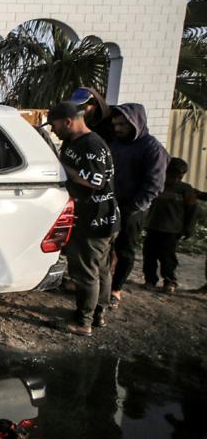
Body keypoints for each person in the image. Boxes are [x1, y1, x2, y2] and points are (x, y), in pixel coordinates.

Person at [48, 101, 119, 336]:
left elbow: (94, 181)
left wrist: (60, 168)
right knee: (100, 269)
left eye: (55, 125)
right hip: (101, 217)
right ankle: (99, 314)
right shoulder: (76, 141)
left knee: (87, 272)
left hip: (93, 219)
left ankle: (83, 322)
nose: (53, 130)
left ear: (68, 121)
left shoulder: (91, 144)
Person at [107, 103, 168, 308]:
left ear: (136, 122)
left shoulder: (152, 148)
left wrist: (133, 207)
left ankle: (116, 290)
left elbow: (155, 185)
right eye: (115, 124)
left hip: (132, 210)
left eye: (122, 124)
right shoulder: (116, 144)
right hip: (110, 204)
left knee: (125, 250)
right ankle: (103, 285)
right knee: (106, 248)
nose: (117, 128)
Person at [143, 158, 198, 293]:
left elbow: (192, 210)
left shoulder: (185, 189)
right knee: (149, 255)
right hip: (153, 226)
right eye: (171, 174)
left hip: (172, 230)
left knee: (167, 257)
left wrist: (188, 228)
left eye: (179, 176)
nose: (174, 179)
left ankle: (169, 281)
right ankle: (150, 280)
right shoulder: (157, 185)